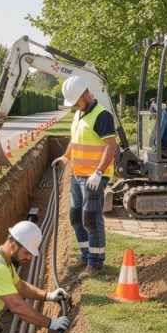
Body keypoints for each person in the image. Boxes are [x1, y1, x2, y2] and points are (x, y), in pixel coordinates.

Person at [58, 76, 119, 279]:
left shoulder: (102, 116)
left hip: (93, 177)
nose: (74, 105)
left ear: (86, 94)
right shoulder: (79, 113)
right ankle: (85, 255)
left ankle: (96, 263)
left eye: (76, 101)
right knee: (75, 216)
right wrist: (65, 157)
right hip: (78, 175)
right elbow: (75, 140)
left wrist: (99, 172)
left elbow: (111, 146)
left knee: (91, 219)